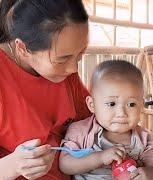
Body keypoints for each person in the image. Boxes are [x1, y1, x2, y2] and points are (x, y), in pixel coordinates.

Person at [0, 0, 91, 179]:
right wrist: (13, 165)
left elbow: (93, 121)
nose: (74, 68)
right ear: (22, 48)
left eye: (80, 54)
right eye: (62, 59)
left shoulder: (65, 73)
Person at [59, 60, 153, 180]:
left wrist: (148, 174)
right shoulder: (80, 131)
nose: (121, 113)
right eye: (111, 103)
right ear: (92, 105)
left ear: (141, 106)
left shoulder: (143, 139)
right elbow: (65, 164)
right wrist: (100, 158)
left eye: (131, 104)